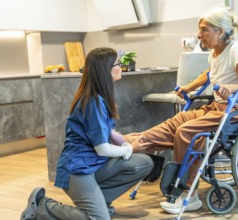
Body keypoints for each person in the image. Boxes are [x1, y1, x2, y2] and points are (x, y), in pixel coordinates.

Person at [126, 6, 238, 214]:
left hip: (236, 111)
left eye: (204, 29)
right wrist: (189, 87)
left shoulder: (236, 50)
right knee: (177, 121)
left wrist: (229, 88)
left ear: (220, 31)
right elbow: (209, 74)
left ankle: (188, 192)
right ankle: (133, 141)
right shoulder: (215, 53)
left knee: (186, 132)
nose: (199, 35)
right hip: (215, 108)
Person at [21, 47, 154, 220]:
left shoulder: (101, 97)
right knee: (98, 219)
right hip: (78, 169)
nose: (121, 66)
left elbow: (108, 132)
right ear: (104, 70)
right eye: (117, 63)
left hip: (94, 164)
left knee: (143, 163)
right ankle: (42, 206)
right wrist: (129, 148)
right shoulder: (94, 101)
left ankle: (100, 203)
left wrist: (127, 140)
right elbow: (102, 149)